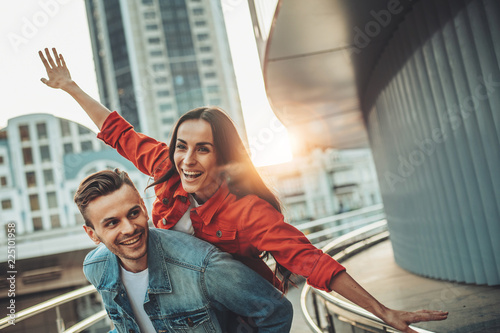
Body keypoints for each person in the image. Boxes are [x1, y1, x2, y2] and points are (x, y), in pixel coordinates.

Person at [40, 47, 448, 333]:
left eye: (203, 149)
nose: (188, 160)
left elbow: (313, 262)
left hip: (233, 312)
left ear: (223, 157)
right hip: (178, 306)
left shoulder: (246, 211)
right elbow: (119, 133)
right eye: (182, 146)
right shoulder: (168, 169)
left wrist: (382, 311)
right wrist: (70, 86)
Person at [76, 168, 293, 332]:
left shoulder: (202, 266)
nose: (129, 228)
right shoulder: (96, 268)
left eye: (133, 213)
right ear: (92, 234)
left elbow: (274, 310)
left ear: (143, 207)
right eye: (112, 223)